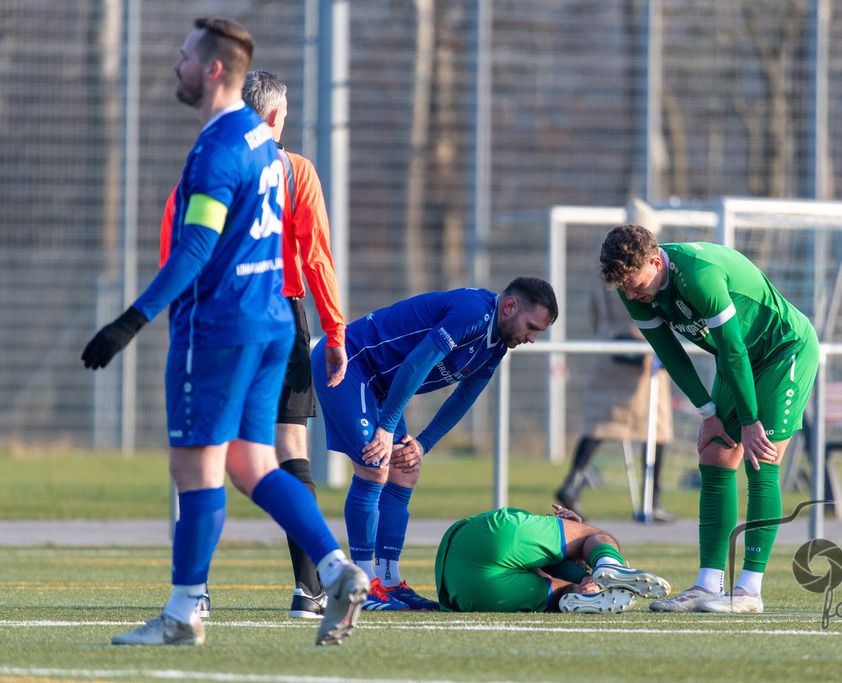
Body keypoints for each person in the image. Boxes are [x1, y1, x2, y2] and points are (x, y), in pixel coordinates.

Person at [81, 17, 368, 646]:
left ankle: (185, 611)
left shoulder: (217, 151)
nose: (176, 66)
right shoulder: (271, 151)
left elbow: (193, 247)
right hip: (273, 324)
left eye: (184, 56)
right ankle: (335, 567)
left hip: (219, 327)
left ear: (213, 70)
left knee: (195, 466)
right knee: (253, 461)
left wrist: (132, 319)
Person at [159, 69, 348, 620]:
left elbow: (177, 242)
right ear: (272, 118)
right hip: (281, 316)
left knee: (205, 455)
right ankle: (310, 587)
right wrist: (334, 332)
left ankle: (195, 594)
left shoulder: (206, 163)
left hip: (213, 318)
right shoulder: (295, 170)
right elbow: (315, 257)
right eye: (284, 116)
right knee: (289, 449)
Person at [598, 224, 819, 614]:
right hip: (738, 361)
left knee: (760, 457)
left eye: (633, 284)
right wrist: (708, 412)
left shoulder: (699, 275)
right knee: (715, 456)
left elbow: (732, 349)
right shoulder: (632, 288)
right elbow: (669, 352)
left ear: (654, 261)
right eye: (623, 288)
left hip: (785, 351)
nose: (630, 295)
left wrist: (750, 421)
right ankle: (707, 584)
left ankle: (749, 590)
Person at [312, 278, 557, 611]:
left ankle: (387, 580)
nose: (531, 338)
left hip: (380, 386)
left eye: (538, 332)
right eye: (531, 327)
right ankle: (361, 584)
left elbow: (464, 397)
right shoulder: (473, 313)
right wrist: (385, 427)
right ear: (510, 306)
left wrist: (423, 445)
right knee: (374, 465)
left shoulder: (496, 344)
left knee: (404, 470)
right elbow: (417, 363)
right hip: (350, 362)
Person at [555, 268, 675, 523]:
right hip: (646, 347)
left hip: (608, 347)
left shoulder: (602, 271)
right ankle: (651, 500)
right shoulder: (649, 268)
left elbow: (594, 314)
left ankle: (572, 483)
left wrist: (607, 333)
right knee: (656, 426)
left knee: (599, 421)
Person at [435, 504, 670, 613]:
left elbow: (548, 560)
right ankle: (610, 564)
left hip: (461, 590)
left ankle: (585, 596)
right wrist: (578, 532)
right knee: (595, 536)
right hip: (490, 554)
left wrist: (584, 578)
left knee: (565, 592)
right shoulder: (554, 554)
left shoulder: (548, 555)